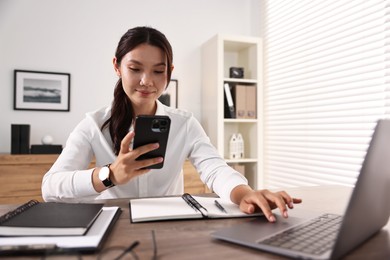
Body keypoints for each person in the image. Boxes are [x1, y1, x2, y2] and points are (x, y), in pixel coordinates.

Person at [42, 26, 301, 222]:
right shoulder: (93, 125)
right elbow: (50, 188)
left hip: (170, 225)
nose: (147, 81)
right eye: (135, 68)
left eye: (158, 71)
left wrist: (244, 193)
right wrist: (109, 175)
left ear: (169, 71)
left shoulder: (184, 123)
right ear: (117, 67)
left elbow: (214, 168)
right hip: (114, 226)